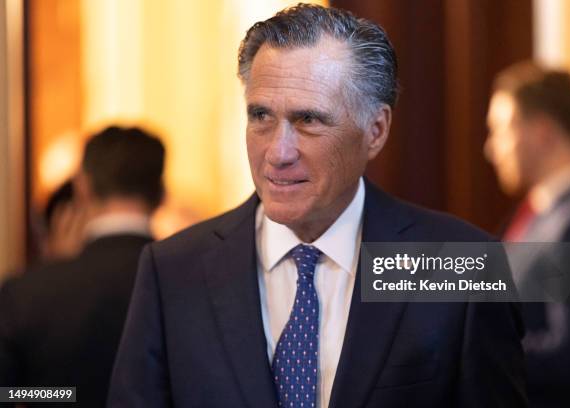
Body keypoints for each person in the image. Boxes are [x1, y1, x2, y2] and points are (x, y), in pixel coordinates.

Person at [109, 5, 526, 408]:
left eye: (308, 120)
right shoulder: (174, 273)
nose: (278, 151)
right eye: (260, 116)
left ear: (375, 130)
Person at [0, 126, 165, 407]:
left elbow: (6, 393)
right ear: (161, 193)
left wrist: (62, 395)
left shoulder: (28, 293)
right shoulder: (195, 282)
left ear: (82, 187)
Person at [485, 61, 570, 408]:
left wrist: (477, 356)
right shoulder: (539, 217)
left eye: (501, 130)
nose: (492, 148)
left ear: (541, 132)